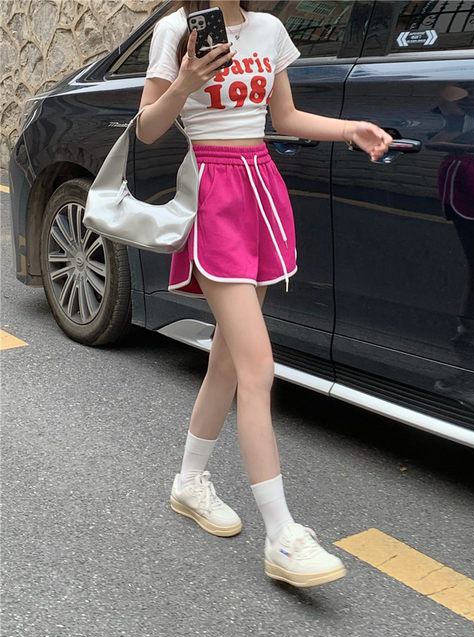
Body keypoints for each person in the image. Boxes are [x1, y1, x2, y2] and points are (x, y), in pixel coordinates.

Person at [137, 0, 392, 588]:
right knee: (257, 368)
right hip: (213, 194)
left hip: (260, 190)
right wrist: (185, 82)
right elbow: (147, 128)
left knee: (228, 362)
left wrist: (349, 130)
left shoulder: (270, 29)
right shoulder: (174, 30)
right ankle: (281, 535)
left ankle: (189, 482)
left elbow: (285, 117)